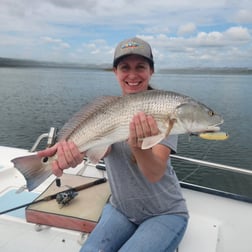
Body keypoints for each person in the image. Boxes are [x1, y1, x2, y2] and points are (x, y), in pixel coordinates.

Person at [38, 37, 189, 252]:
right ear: (115, 72)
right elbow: (96, 151)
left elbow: (155, 173)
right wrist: (66, 154)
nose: (133, 75)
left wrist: (137, 145)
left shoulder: (163, 110)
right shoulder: (108, 112)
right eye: (125, 67)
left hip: (165, 212)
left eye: (141, 67)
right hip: (120, 208)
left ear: (151, 71)